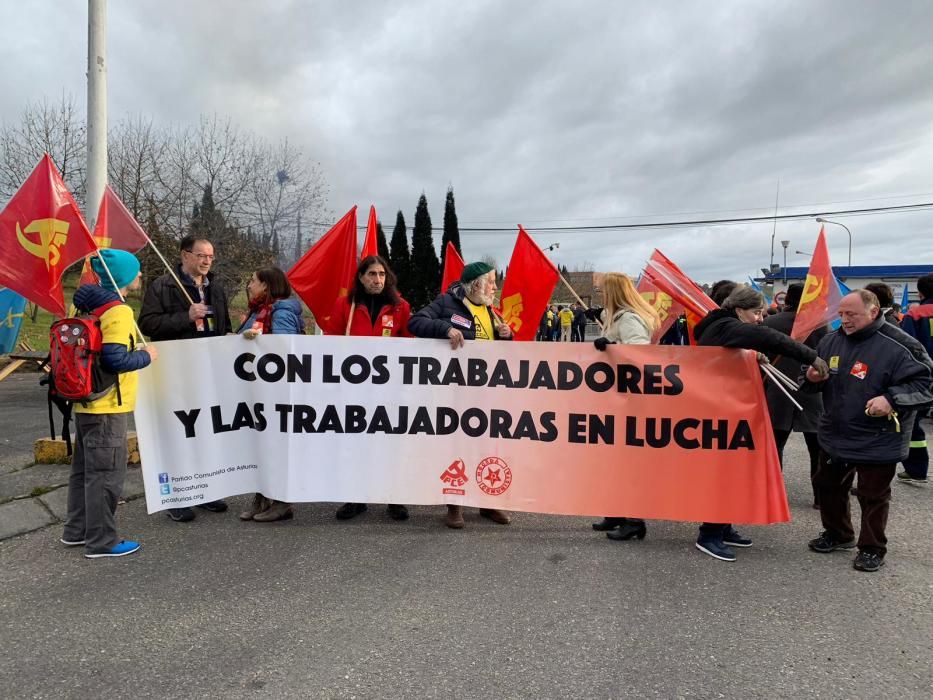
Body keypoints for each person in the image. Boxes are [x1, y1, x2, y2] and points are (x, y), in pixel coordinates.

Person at [692, 285, 828, 562]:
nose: (759, 318)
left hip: (726, 408)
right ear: (739, 309)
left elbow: (732, 352)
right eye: (756, 312)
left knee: (731, 472)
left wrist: (750, 356)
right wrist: (810, 355)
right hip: (721, 410)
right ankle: (710, 534)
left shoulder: (720, 326)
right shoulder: (726, 326)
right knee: (725, 474)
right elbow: (765, 336)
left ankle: (722, 527)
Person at [804, 290, 933, 572]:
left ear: (873, 311)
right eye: (841, 315)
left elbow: (926, 384)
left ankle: (872, 548)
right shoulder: (830, 341)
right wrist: (811, 378)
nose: (845, 321)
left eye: (852, 315)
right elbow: (813, 375)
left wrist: (891, 399)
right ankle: (839, 534)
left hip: (879, 436)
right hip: (836, 430)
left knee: (872, 495)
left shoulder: (900, 345)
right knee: (827, 485)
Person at [61, 250, 158, 558]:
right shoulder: (118, 311)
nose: (140, 276)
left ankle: (76, 531)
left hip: (85, 401)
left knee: (84, 471)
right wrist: (146, 356)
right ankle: (102, 541)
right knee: (105, 476)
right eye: (136, 272)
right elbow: (116, 359)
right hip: (107, 406)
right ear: (123, 278)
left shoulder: (84, 304)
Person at [408, 261, 513, 529]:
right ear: (475, 283)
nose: (494, 287)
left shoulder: (491, 309)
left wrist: (505, 335)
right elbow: (416, 322)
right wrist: (444, 329)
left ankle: (489, 503)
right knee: (457, 447)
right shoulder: (446, 303)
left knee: (488, 446)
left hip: (487, 391)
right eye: (490, 282)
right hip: (456, 391)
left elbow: (497, 349)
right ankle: (455, 505)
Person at [139, 234, 233, 522]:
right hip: (174, 372)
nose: (206, 261)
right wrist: (186, 316)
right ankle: (178, 495)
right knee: (178, 432)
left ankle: (205, 490)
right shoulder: (162, 286)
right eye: (201, 255)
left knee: (205, 429)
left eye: (210, 257)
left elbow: (223, 327)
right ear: (185, 256)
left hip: (207, 371)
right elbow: (147, 324)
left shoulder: (216, 289)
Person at [327, 255, 413, 522]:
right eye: (372, 274)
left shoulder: (400, 307)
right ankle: (356, 497)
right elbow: (330, 342)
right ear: (361, 277)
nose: (377, 280)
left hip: (389, 391)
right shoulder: (346, 306)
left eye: (382, 274)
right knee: (357, 443)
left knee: (391, 443)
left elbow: (410, 345)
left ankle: (394, 497)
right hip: (355, 390)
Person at [588, 273, 660, 541]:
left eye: (603, 291)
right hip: (618, 397)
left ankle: (634, 520)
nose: (600, 295)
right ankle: (618, 513)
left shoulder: (629, 318)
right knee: (614, 462)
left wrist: (613, 346)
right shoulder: (618, 316)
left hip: (631, 400)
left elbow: (640, 353)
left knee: (628, 464)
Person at [236, 266, 305, 523]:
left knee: (275, 446)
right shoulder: (258, 309)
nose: (249, 284)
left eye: (253, 280)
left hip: (278, 391)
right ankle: (262, 497)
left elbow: (285, 348)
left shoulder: (282, 311)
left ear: (266, 285)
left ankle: (281, 501)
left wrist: (259, 339)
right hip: (258, 389)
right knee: (260, 445)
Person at [762, 282, 825, 507]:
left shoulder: (770, 322)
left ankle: (773, 494)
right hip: (811, 389)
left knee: (774, 445)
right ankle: (821, 496)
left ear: (787, 298)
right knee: (817, 448)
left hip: (777, 388)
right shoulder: (820, 325)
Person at [897, 274, 933, 484]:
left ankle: (917, 469)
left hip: (925, 377)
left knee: (913, 421)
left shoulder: (916, 313)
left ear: (920, 292)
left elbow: (908, 347)